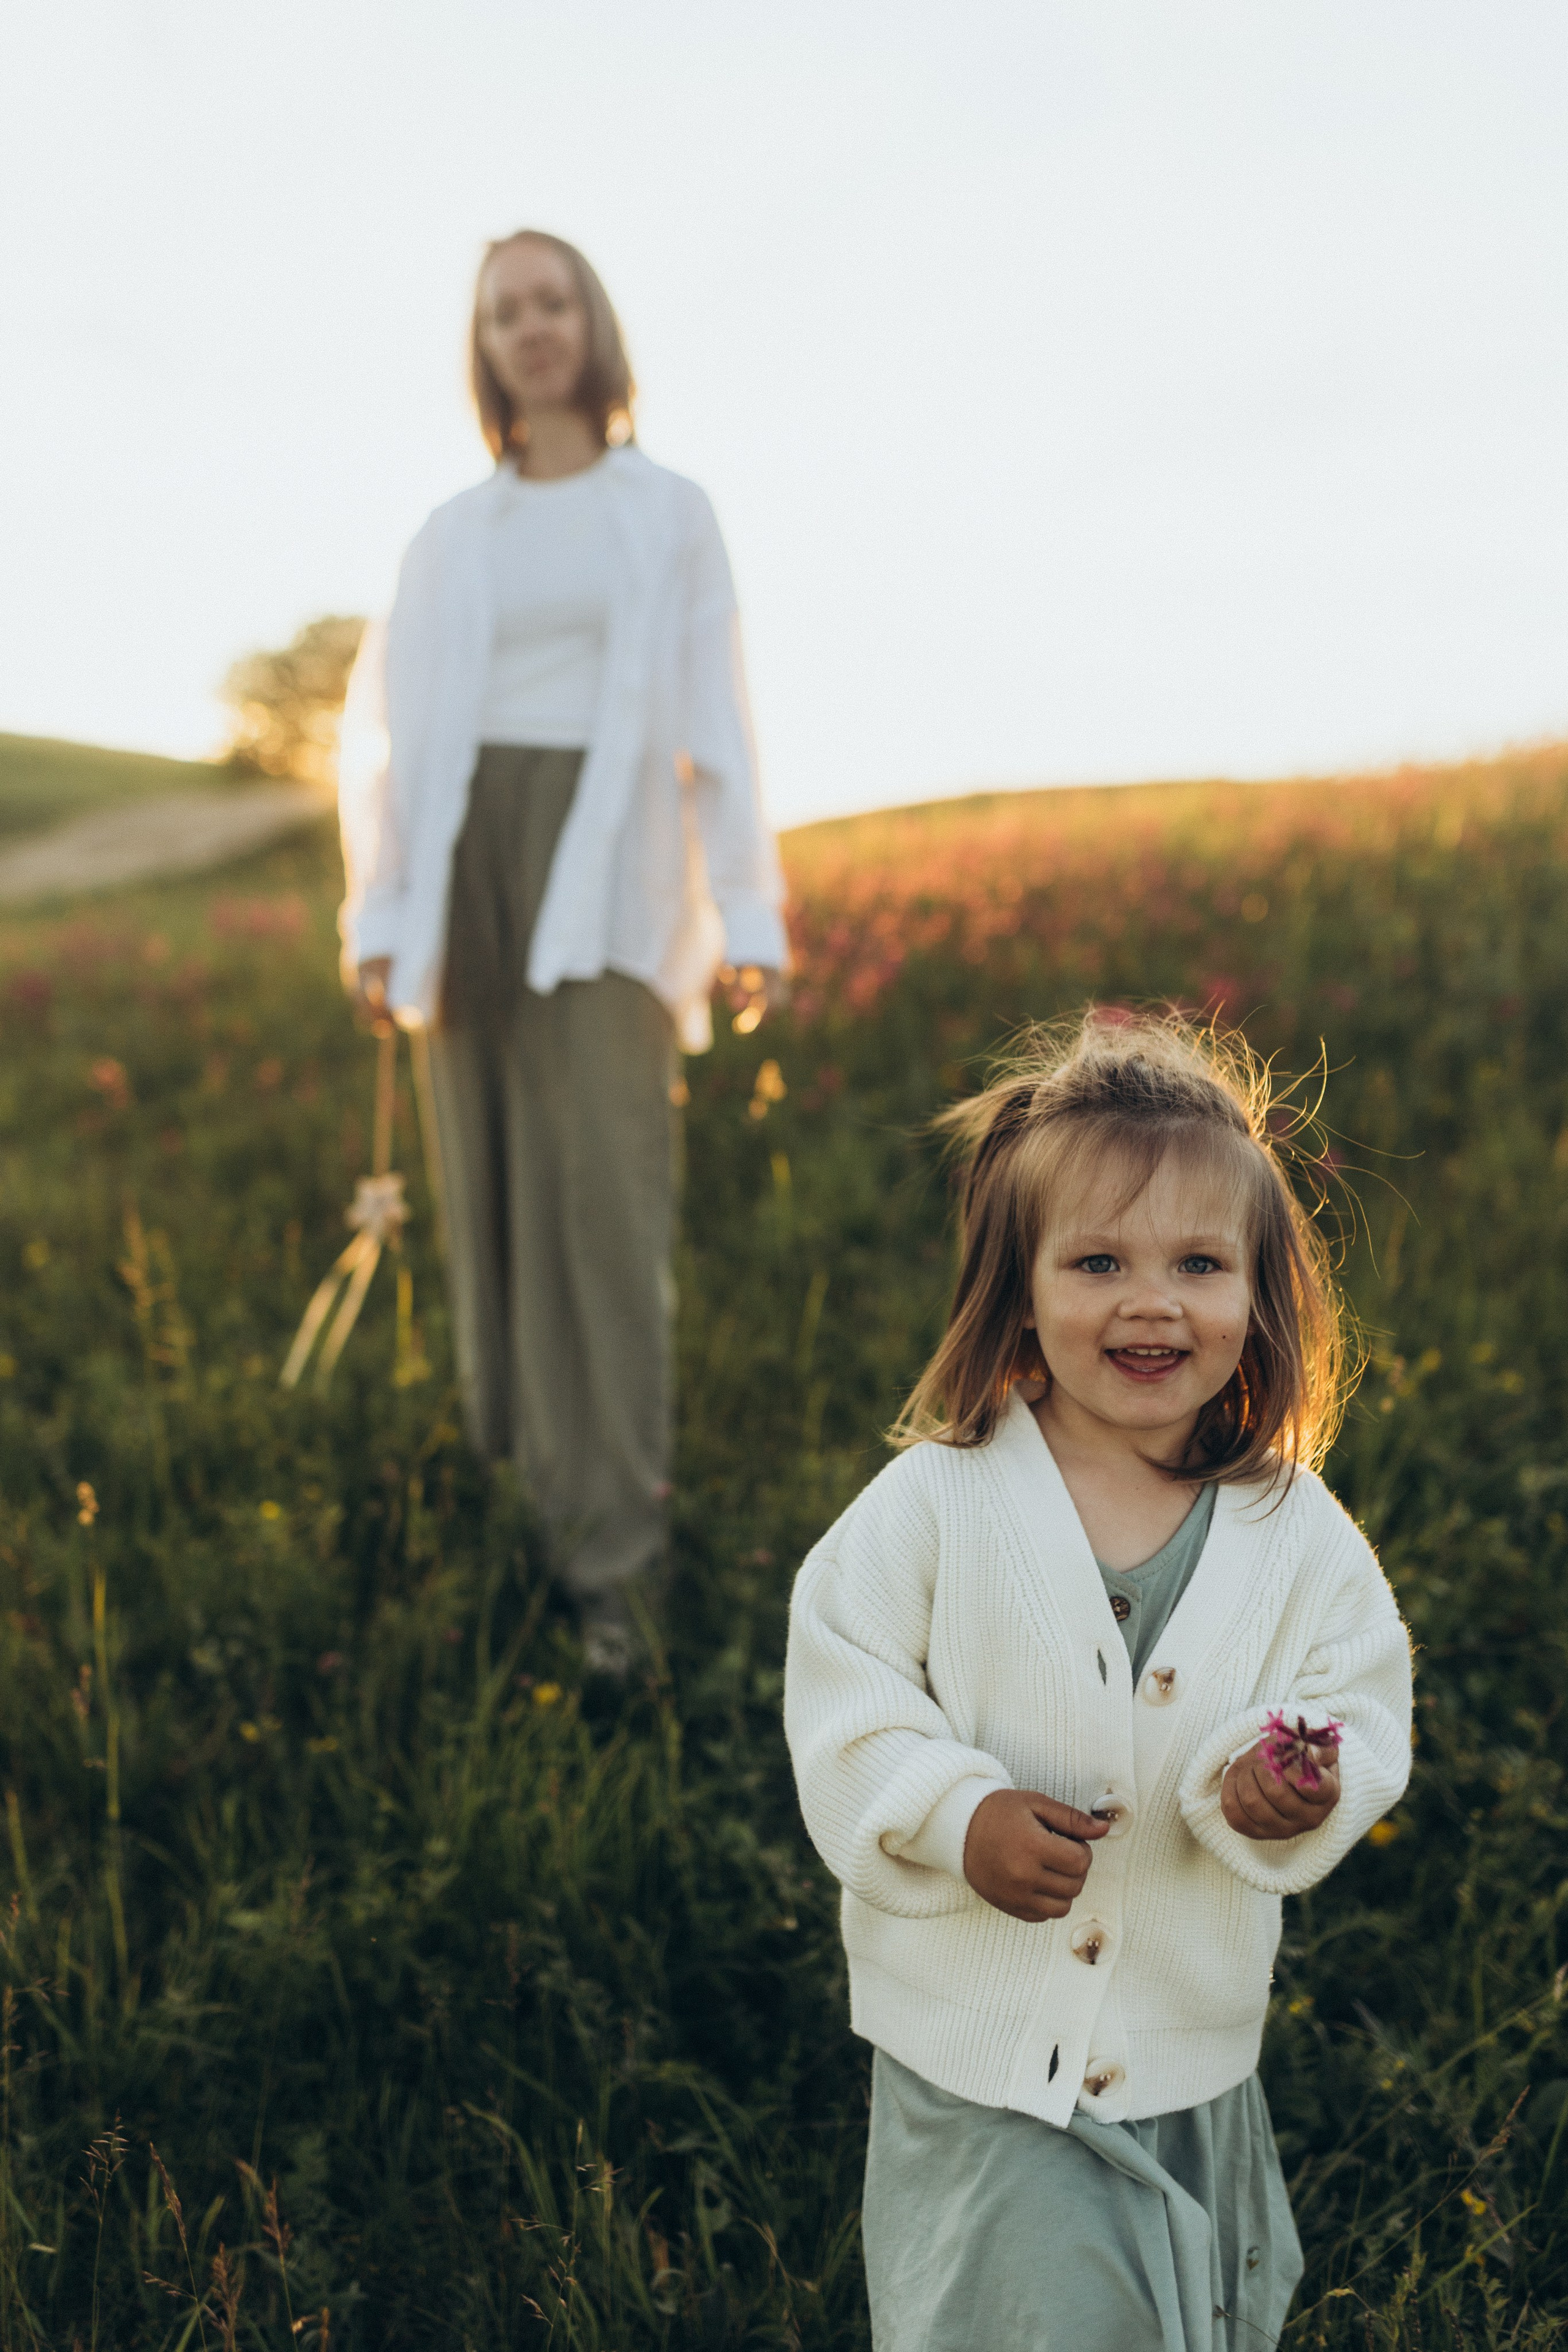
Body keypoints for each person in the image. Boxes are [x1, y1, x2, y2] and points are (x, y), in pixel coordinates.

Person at [783, 1010, 1413, 2350]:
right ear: (1018, 1291)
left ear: (1259, 1294)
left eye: (1198, 1262)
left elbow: (1358, 1701)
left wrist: (1284, 1783)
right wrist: (958, 1816)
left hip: (1185, 2061)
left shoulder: (1289, 1529)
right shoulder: (935, 1505)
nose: (1150, 1301)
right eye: (1096, 1262)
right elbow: (846, 1706)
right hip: (984, 2069)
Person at [336, 230, 788, 1667]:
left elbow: (715, 722)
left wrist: (747, 908)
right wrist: (384, 916)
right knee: (495, 1209)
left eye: (552, 301)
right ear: (481, 347)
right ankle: (530, 1518)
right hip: (465, 868)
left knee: (603, 1214)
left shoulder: (666, 513)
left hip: (603, 876)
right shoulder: (449, 534)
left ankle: (620, 1581)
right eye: (502, 311)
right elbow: (389, 744)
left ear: (592, 325)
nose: (531, 328)